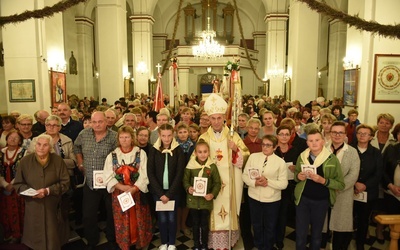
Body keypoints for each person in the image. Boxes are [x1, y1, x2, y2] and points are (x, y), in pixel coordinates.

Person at [198, 93, 250, 250]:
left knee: (229, 208)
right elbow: (197, 159)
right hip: (212, 182)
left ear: (223, 119)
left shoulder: (233, 136)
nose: (215, 122)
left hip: (230, 182)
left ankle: (229, 240)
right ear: (209, 119)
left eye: (218, 118)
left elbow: (245, 155)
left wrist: (236, 150)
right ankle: (214, 242)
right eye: (212, 118)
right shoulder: (204, 137)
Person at [13, 134, 70, 250]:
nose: (41, 147)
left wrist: (48, 191)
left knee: (54, 237)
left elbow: (66, 183)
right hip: (33, 206)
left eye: (45, 145)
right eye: (39, 144)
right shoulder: (25, 161)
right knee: (34, 238)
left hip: (53, 205)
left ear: (50, 147)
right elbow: (18, 184)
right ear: (34, 145)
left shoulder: (58, 161)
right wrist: (31, 192)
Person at [28, 115, 78, 245]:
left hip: (62, 181)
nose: (52, 127)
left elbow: (73, 162)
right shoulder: (36, 140)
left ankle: (61, 239)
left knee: (62, 213)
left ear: (60, 127)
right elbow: (29, 161)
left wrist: (56, 161)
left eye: (55, 125)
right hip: (41, 182)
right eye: (49, 125)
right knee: (45, 214)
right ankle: (45, 239)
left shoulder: (66, 140)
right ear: (45, 126)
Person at [73, 111, 118, 249]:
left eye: (100, 122)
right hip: (91, 182)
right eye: (94, 122)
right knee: (88, 214)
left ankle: (112, 238)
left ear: (106, 122)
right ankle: (92, 239)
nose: (97, 125)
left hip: (110, 182)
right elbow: (76, 147)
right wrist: (80, 162)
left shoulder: (114, 137)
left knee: (112, 213)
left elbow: (119, 156)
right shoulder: (84, 134)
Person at [103, 126, 152, 250]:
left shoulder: (140, 153)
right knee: (122, 219)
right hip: (120, 194)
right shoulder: (113, 155)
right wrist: (122, 187)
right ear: (118, 139)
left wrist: (134, 188)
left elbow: (145, 173)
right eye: (122, 137)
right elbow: (108, 175)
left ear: (132, 138)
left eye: (127, 137)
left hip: (137, 193)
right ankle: (125, 243)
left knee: (139, 217)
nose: (124, 140)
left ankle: (140, 242)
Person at [294, 129, 344, 250]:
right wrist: (298, 176)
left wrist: (324, 181)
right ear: (307, 143)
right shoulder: (302, 157)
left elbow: (341, 184)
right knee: (300, 233)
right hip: (303, 200)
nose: (314, 143)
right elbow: (296, 175)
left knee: (316, 234)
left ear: (323, 141)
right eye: (311, 141)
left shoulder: (331, 159)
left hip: (321, 201)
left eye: (317, 140)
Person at [243, 134, 288, 250]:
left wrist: (267, 181)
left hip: (272, 200)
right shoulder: (253, 157)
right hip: (254, 197)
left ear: (274, 147)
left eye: (268, 145)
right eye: (263, 144)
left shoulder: (280, 162)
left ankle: (268, 247)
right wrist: (255, 183)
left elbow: (284, 184)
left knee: (270, 226)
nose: (265, 147)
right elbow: (244, 176)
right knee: (256, 225)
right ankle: (258, 245)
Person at [147, 123, 186, 250]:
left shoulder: (178, 150)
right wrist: (160, 193)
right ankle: (164, 242)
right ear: (159, 135)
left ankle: (172, 243)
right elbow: (150, 172)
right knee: (162, 218)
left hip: (173, 191)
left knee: (172, 217)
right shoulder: (154, 150)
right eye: (163, 135)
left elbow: (180, 173)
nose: (167, 138)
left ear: (173, 135)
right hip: (158, 192)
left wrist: (169, 194)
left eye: (169, 135)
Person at [326, 121, 360, 250]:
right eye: (334, 132)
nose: (337, 135)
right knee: (324, 224)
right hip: (324, 191)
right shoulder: (322, 148)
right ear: (330, 134)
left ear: (345, 134)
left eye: (340, 132)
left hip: (343, 193)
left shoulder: (352, 152)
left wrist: (336, 187)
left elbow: (353, 174)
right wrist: (326, 185)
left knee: (341, 225)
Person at [183, 140, 221, 250]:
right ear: (195, 153)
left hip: (206, 201)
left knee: (204, 224)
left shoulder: (212, 166)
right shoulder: (190, 165)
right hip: (193, 201)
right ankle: (196, 244)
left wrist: (212, 194)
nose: (202, 154)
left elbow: (217, 183)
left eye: (205, 152)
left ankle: (204, 244)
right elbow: (185, 180)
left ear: (209, 152)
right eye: (200, 152)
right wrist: (188, 188)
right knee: (195, 224)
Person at [274, 123, 307, 250]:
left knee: (283, 214)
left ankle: (280, 239)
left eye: (286, 134)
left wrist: (295, 169)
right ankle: (271, 237)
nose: (284, 137)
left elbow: (300, 170)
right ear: (277, 136)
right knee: (272, 214)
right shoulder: (273, 150)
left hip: (288, 187)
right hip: (274, 186)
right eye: (281, 134)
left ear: (291, 135)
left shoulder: (295, 150)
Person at [352, 124, 383, 250]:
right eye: (360, 133)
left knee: (364, 220)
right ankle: (345, 241)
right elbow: (343, 170)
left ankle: (360, 244)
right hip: (350, 190)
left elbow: (378, 173)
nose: (362, 135)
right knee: (348, 218)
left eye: (366, 134)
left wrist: (364, 185)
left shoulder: (376, 153)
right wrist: (354, 183)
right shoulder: (349, 149)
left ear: (371, 137)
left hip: (368, 192)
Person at [0, 130, 26, 243]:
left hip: (18, 186)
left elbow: (23, 171)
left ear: (20, 141)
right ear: (6, 139)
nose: (13, 139)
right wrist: (5, 184)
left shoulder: (23, 152)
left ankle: (19, 234)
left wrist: (13, 184)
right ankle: (8, 233)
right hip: (3, 187)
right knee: (4, 210)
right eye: (10, 137)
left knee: (19, 210)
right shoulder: (1, 152)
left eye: (16, 138)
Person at [241, 118, 263, 250]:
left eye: (256, 128)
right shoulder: (242, 144)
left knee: (258, 213)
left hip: (260, 183)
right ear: (247, 128)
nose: (253, 130)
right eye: (251, 128)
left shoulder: (262, 143)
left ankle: (259, 238)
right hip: (246, 183)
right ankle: (247, 239)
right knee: (246, 214)